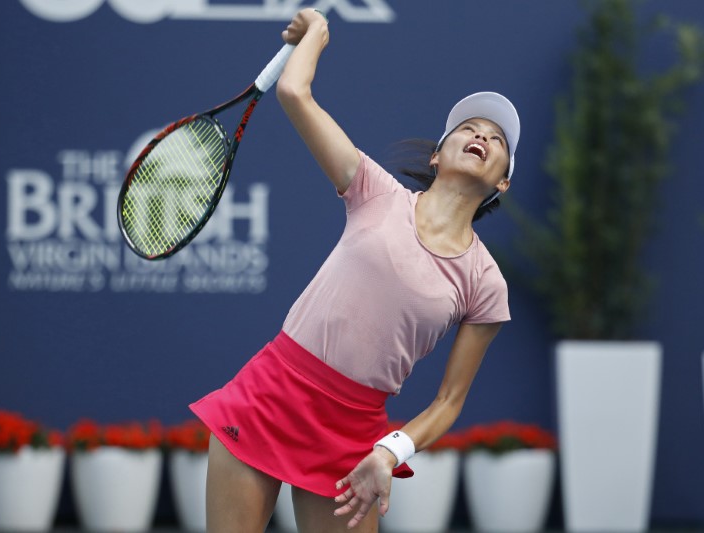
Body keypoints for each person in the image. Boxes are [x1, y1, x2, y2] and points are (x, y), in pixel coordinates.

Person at [189, 8, 520, 532]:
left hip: (352, 435)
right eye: (468, 129)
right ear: (438, 155)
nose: (481, 136)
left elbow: (449, 401)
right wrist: (317, 32)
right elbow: (294, 94)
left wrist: (390, 453)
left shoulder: (486, 284)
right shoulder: (375, 191)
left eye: (497, 140)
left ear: (502, 183)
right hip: (272, 393)